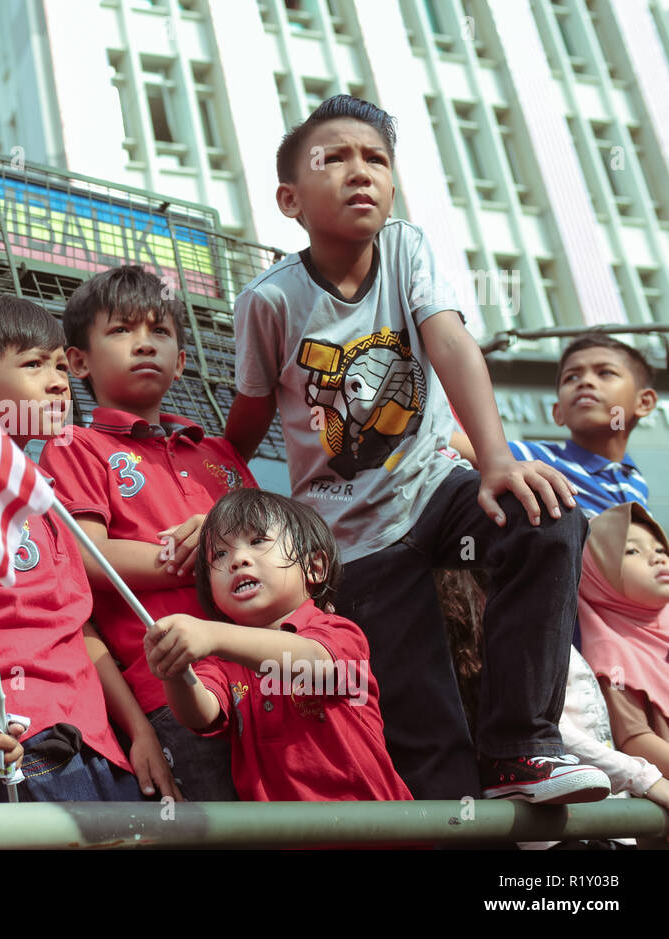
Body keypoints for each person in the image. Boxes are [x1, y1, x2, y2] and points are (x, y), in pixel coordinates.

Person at [225, 94, 608, 803]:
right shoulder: (269, 302)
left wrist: (494, 458)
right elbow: (244, 424)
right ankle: (463, 803)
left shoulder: (407, 249)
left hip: (437, 488)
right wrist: (212, 502)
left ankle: (521, 747)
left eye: (375, 158)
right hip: (351, 536)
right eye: (333, 158)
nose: (359, 171)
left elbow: (452, 342)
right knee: (426, 733)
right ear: (290, 199)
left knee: (545, 517)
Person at [0, 294, 177, 803]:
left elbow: (79, 627)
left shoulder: (47, 497)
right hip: (21, 742)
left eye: (61, 366)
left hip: (99, 741)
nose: (59, 381)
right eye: (32, 364)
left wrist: (140, 731)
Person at [38, 266, 256, 801]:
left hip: (263, 670)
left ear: (182, 362)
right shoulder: (73, 446)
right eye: (121, 330)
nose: (144, 344)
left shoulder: (220, 452)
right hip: (171, 687)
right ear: (78, 362)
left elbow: (279, 548)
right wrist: (204, 554)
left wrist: (220, 539)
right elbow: (87, 560)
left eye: (159, 332)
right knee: (219, 834)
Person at [145, 488, 410, 801]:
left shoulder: (335, 630)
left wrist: (213, 635)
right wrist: (174, 671)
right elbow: (201, 716)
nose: (238, 560)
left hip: (376, 832)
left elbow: (315, 664)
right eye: (219, 554)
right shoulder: (221, 663)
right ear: (214, 599)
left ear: (314, 567)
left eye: (258, 541)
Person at [453, 333, 656, 517]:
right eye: (572, 377)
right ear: (558, 413)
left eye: (605, 373)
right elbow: (447, 440)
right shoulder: (539, 459)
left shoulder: (636, 481)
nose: (585, 382)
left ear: (644, 402)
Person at [578, 503, 669, 779]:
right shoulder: (612, 652)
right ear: (597, 575)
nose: (658, 559)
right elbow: (635, 741)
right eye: (632, 551)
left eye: (661, 549)